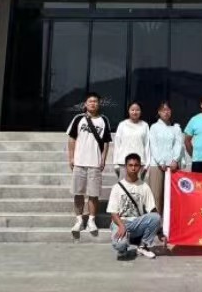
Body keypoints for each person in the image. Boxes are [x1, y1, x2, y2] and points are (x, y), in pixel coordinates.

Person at [66, 92, 111, 239]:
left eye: (95, 101)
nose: (93, 103)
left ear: (99, 104)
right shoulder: (78, 118)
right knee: (78, 192)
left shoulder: (104, 120)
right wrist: (71, 157)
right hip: (79, 162)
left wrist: (103, 159)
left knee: (93, 194)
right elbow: (72, 139)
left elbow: (106, 142)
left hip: (95, 163)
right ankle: (79, 220)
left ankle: (91, 220)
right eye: (90, 101)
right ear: (85, 104)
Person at [107, 153, 162, 261]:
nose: (133, 168)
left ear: (140, 167)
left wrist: (159, 230)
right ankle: (123, 249)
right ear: (125, 167)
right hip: (121, 222)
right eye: (130, 165)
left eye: (136, 165)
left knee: (156, 217)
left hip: (137, 223)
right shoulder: (117, 187)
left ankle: (143, 246)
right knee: (119, 244)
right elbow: (113, 212)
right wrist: (121, 226)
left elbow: (152, 209)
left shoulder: (144, 187)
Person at [147, 101, 184, 216]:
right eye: (163, 110)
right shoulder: (154, 127)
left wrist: (175, 160)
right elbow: (153, 145)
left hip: (172, 166)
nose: (166, 112)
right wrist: (160, 161)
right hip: (157, 165)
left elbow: (178, 144)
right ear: (159, 112)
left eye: (168, 110)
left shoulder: (175, 128)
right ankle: (155, 222)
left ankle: (169, 222)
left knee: (170, 196)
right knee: (156, 195)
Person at [113, 101, 150, 179]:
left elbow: (147, 145)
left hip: (139, 163)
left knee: (138, 186)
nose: (135, 112)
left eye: (137, 110)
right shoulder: (122, 125)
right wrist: (115, 163)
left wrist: (147, 163)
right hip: (123, 162)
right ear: (128, 111)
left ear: (141, 111)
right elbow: (117, 144)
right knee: (123, 186)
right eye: (132, 110)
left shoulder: (145, 125)